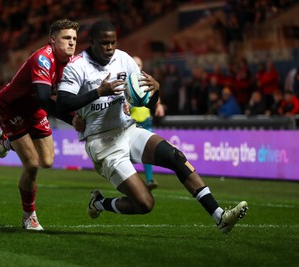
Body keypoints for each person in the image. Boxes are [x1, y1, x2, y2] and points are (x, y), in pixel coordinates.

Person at [57, 20, 248, 233]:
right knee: (145, 204)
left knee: (175, 157)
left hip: (127, 130)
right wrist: (98, 93)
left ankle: (219, 216)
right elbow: (63, 101)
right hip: (103, 144)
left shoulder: (123, 59)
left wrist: (155, 91)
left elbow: (145, 100)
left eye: (113, 42)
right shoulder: (78, 66)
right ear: (92, 41)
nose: (110, 47)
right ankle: (99, 203)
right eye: (104, 43)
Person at [0, 19, 80, 231]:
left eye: (75, 39)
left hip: (34, 110)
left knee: (47, 162)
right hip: (11, 108)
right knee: (31, 165)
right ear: (52, 40)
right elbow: (43, 97)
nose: (72, 43)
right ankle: (29, 216)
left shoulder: (75, 63)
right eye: (66, 38)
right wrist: (73, 120)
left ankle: (9, 141)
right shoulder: (43, 58)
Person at [129, 56, 165, 190]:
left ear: (142, 66)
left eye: (139, 64)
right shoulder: (127, 82)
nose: (137, 67)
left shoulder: (146, 81)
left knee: (147, 151)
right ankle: (130, 182)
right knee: (128, 154)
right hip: (131, 124)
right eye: (135, 64)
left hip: (146, 122)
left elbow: (156, 95)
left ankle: (149, 180)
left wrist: (159, 105)